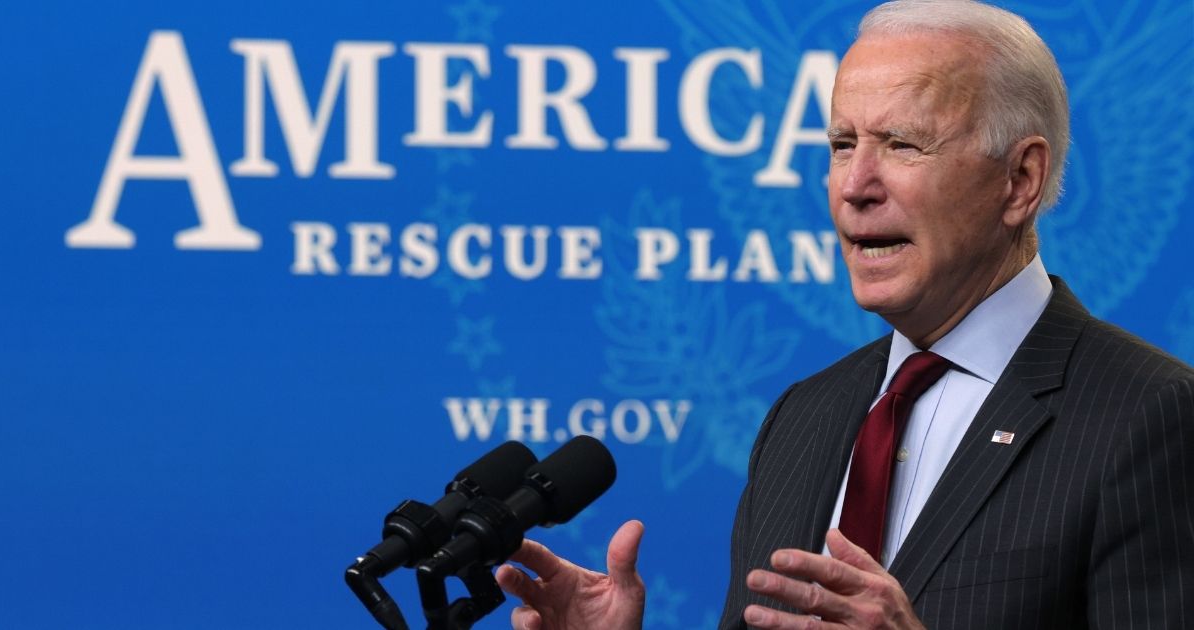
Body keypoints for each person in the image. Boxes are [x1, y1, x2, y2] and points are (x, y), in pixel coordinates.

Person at [494, 0, 1194, 627]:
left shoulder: (1147, 413)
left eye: (901, 144)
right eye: (840, 145)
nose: (855, 185)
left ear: (1020, 180)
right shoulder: (805, 416)